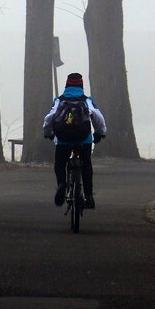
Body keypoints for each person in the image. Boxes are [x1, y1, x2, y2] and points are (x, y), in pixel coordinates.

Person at [42, 72, 107, 208]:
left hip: (63, 140)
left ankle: (62, 184)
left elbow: (49, 118)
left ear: (67, 85)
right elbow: (98, 118)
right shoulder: (87, 100)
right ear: (81, 85)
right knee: (86, 165)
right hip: (84, 140)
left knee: (59, 164)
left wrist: (48, 133)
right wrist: (99, 133)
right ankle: (89, 196)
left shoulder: (59, 100)